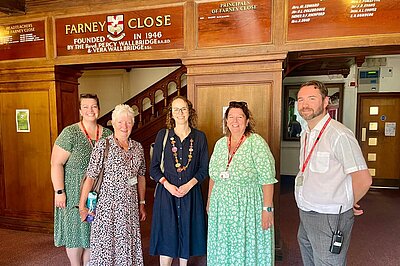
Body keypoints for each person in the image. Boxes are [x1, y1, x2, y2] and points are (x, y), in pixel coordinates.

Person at [295, 80, 372, 265]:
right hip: (306, 211)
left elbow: (364, 179)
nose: (305, 104)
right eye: (300, 99)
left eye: (311, 98)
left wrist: (348, 201)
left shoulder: (339, 134)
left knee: (328, 262)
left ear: (325, 101)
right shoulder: (306, 133)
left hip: (328, 215)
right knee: (310, 257)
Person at [207, 101, 277, 266]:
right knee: (223, 244)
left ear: (247, 121)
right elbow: (213, 176)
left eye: (240, 117)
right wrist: (210, 199)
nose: (235, 121)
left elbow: (267, 178)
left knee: (246, 244)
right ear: (226, 121)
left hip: (247, 207)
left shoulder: (256, 143)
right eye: (231, 117)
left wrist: (267, 209)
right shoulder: (219, 144)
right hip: (222, 207)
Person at [79, 104, 147, 265]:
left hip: (129, 208)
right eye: (120, 122)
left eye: (128, 122)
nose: (124, 126)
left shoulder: (138, 148)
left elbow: (141, 175)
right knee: (106, 248)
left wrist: (142, 203)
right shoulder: (103, 145)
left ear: (133, 124)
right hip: (106, 209)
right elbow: (90, 176)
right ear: (113, 123)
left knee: (127, 245)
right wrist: (82, 206)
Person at [50, 93, 112, 266]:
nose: (90, 110)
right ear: (80, 110)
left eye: (93, 106)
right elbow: (56, 163)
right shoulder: (70, 133)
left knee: (93, 233)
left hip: (99, 191)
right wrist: (59, 191)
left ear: (99, 109)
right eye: (85, 107)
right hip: (73, 190)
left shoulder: (107, 133)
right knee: (76, 233)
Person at [150, 96, 209, 266]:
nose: (180, 113)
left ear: (189, 111)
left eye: (183, 108)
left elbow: (204, 169)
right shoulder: (163, 135)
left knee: (187, 231)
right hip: (166, 194)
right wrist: (167, 185)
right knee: (167, 234)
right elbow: (154, 168)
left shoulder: (199, 137)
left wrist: (189, 185)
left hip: (190, 194)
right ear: (171, 113)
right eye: (176, 109)